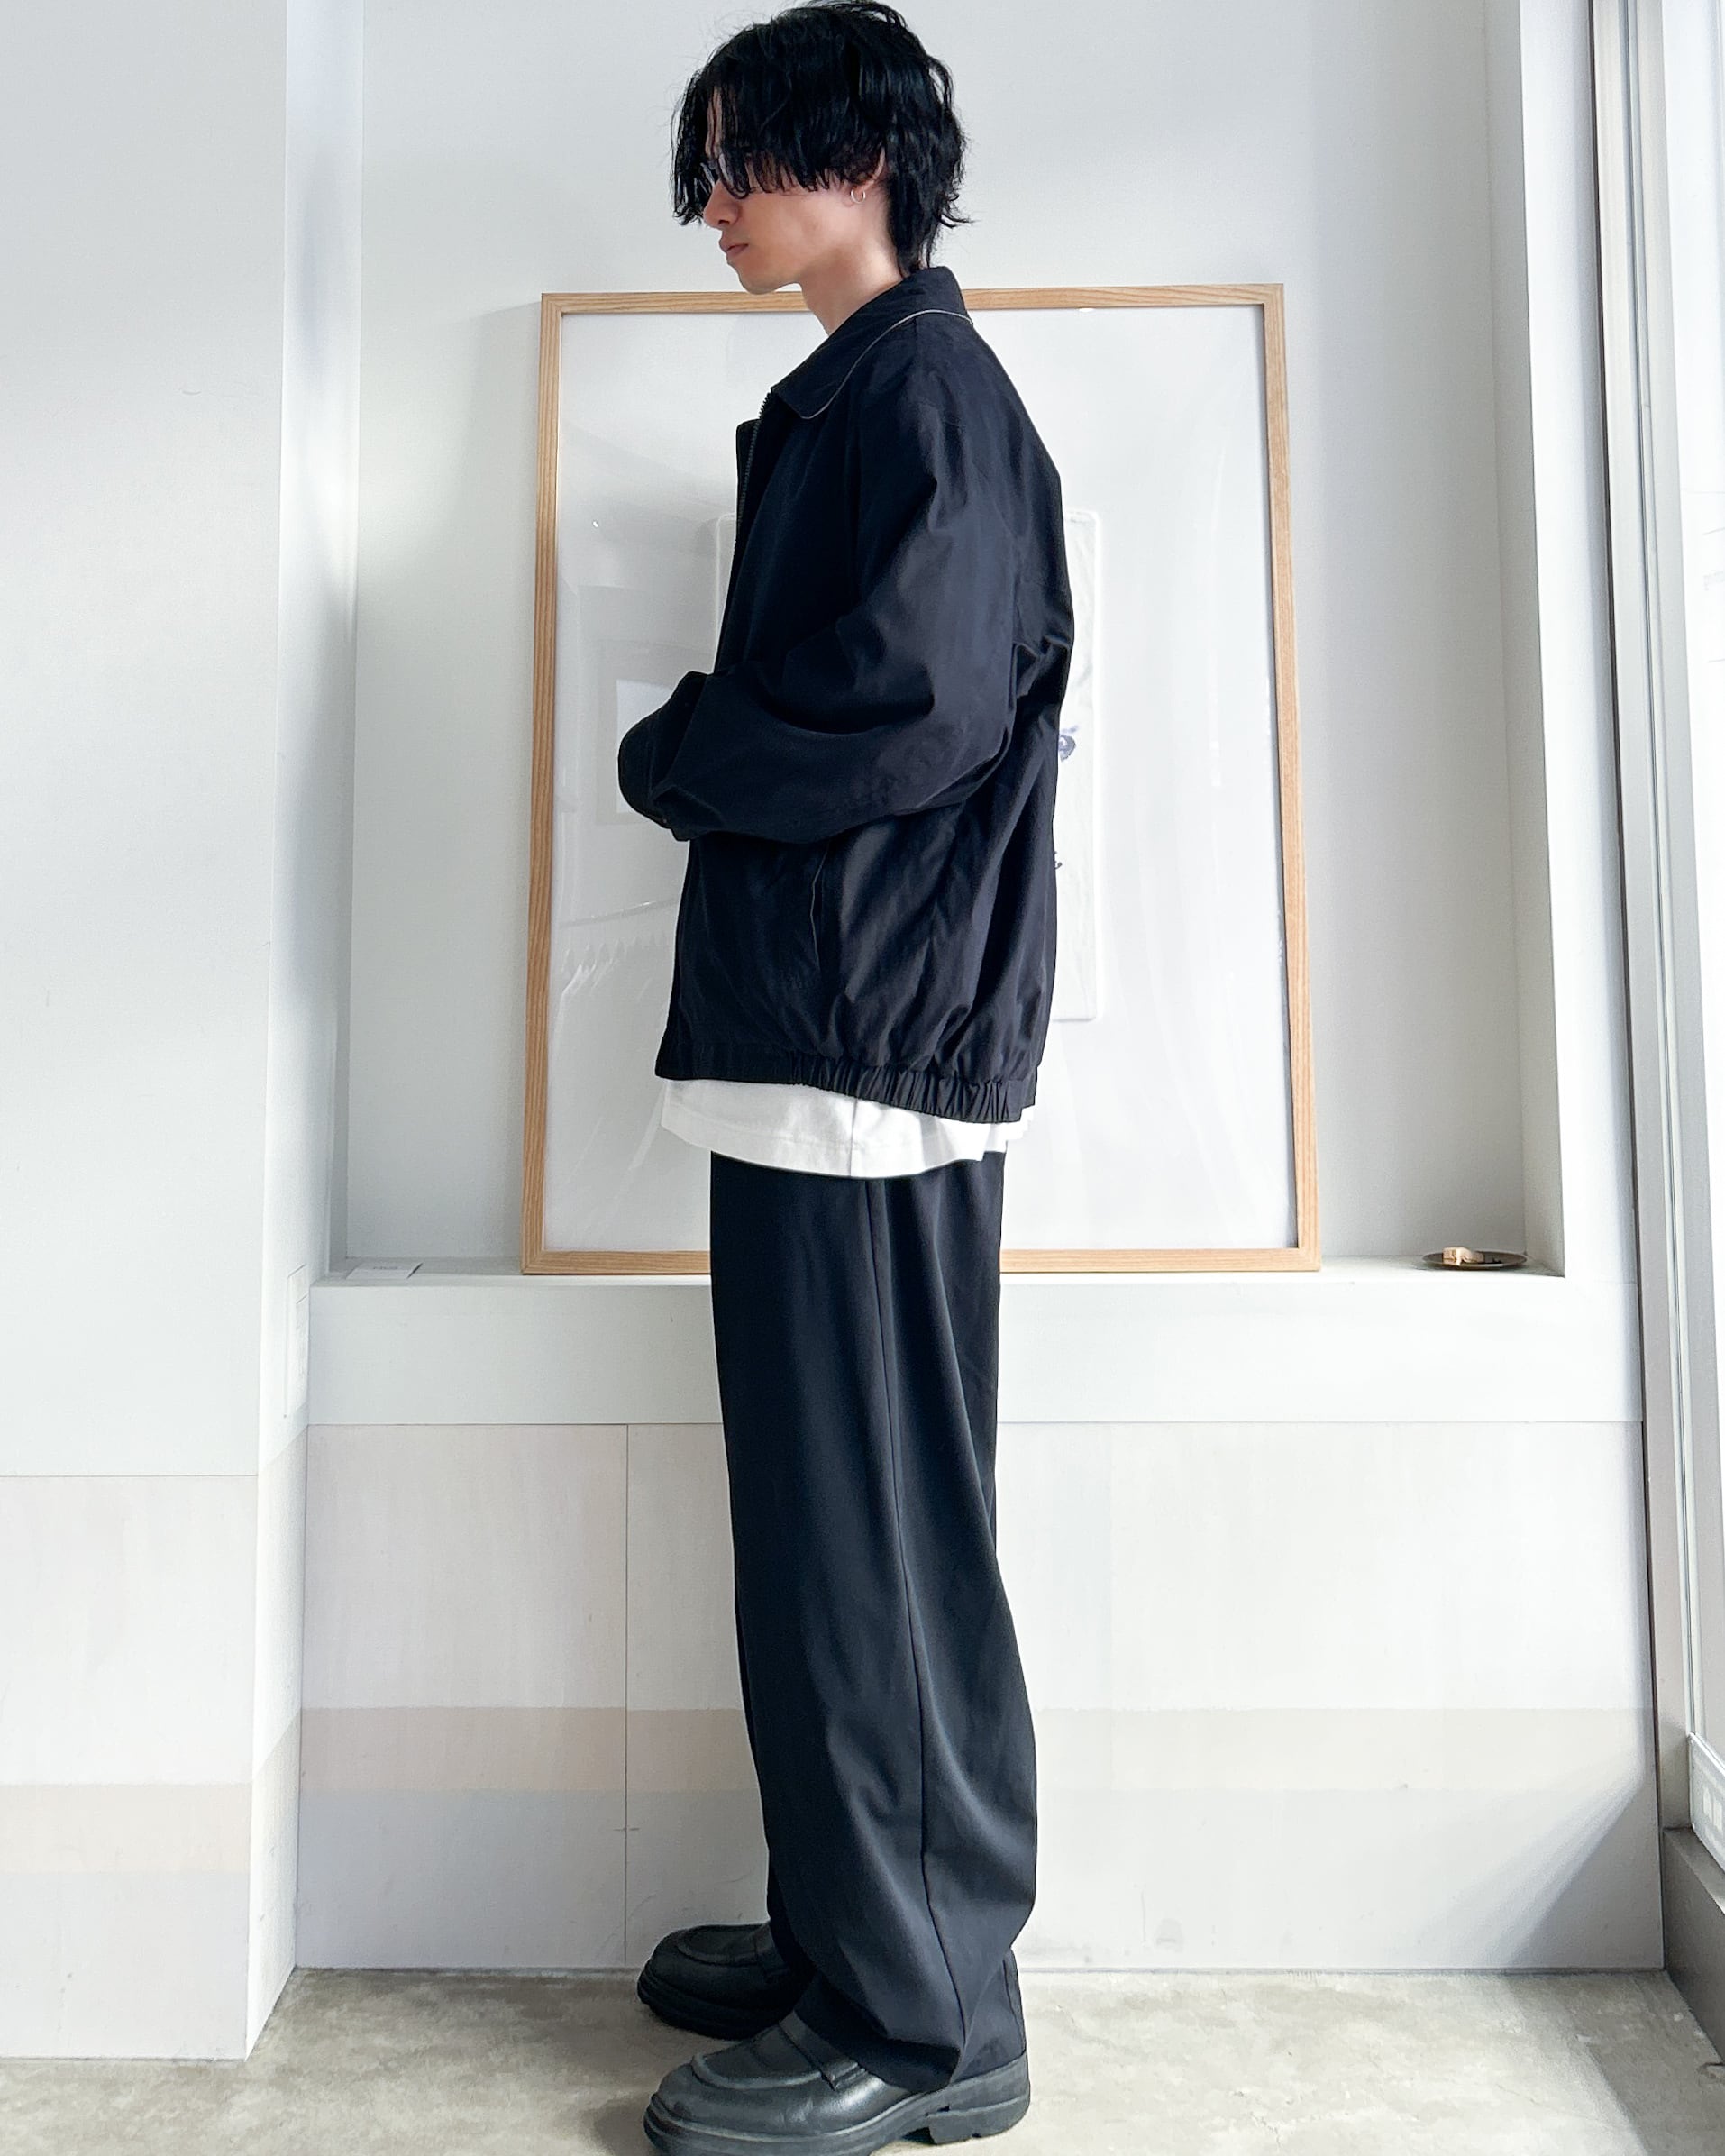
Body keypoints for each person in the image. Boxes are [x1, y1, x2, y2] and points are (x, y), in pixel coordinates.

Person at [616, 6, 1073, 2150]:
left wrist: (681, 749)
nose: (711, 203)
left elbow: (911, 708)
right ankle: (852, 1924)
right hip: (830, 1039)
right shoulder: (864, 396)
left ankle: (927, 2017)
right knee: (825, 1538)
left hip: (870, 1054)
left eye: (741, 161)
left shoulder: (928, 401)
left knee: (872, 1542)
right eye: (703, 168)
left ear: (861, 158)